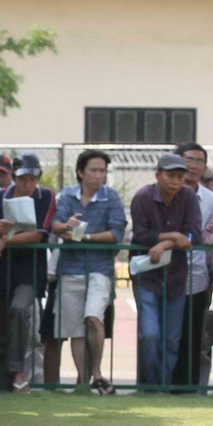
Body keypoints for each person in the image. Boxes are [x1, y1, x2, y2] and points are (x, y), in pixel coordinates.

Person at [51, 148, 126, 393]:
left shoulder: (111, 197)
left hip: (99, 269)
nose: (98, 175)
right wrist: (66, 226)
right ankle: (83, 382)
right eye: (94, 170)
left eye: (102, 171)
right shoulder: (67, 196)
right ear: (80, 172)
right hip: (69, 268)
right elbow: (56, 225)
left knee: (93, 318)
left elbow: (116, 234)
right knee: (74, 329)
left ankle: (97, 373)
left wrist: (85, 237)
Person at [130, 154, 201, 387]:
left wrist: (165, 243)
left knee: (171, 340)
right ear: (157, 174)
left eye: (180, 177)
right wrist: (173, 237)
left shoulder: (188, 196)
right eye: (170, 175)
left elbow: (194, 235)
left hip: (175, 276)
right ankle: (150, 386)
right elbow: (140, 235)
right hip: (147, 276)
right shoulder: (142, 197)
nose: (175, 181)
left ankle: (164, 386)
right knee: (149, 335)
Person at [0, 152, 53, 392]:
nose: (28, 184)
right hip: (0, 269)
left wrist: (4, 239)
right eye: (23, 178)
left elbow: (40, 233)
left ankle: (17, 370)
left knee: (20, 308)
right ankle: (1, 381)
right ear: (15, 177)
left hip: (29, 270)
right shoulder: (0, 196)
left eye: (32, 179)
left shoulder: (45, 196)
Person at [174, 142, 213, 388]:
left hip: (197, 274)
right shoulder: (168, 191)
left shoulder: (211, 199)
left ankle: (190, 386)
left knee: (193, 335)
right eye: (189, 159)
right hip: (167, 272)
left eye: (199, 161)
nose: (193, 165)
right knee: (164, 333)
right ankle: (157, 383)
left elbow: (211, 235)